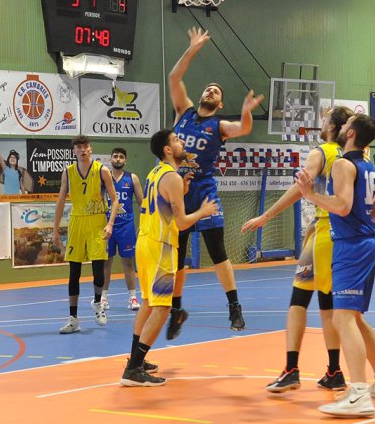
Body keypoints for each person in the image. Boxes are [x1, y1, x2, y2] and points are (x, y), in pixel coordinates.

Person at [242, 106, 353, 393]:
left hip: (322, 233)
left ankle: (291, 369)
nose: (321, 121)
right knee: (328, 307)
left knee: (298, 302)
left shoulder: (323, 151)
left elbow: (298, 191)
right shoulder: (351, 156)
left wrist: (265, 216)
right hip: (341, 235)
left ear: (332, 127)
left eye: (325, 119)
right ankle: (334, 371)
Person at [296, 114, 375, 418]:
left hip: (352, 247)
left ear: (351, 133)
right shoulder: (368, 167)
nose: (340, 127)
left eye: (344, 125)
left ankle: (358, 393)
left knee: (342, 320)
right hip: (367, 243)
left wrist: (311, 195)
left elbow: (341, 206)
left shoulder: (343, 164)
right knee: (353, 318)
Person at [166, 26, 264, 338]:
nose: (211, 91)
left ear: (220, 104)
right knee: (177, 259)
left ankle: (234, 306)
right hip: (177, 193)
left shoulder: (218, 125)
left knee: (217, 250)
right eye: (209, 88)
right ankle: (177, 309)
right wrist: (193, 48)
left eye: (217, 92)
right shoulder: (183, 111)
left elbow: (243, 129)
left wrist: (247, 113)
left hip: (204, 192)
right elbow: (173, 78)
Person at [121, 128, 219, 386]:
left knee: (148, 304)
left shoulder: (156, 173)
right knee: (163, 308)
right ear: (167, 149)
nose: (181, 142)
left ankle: (135, 360)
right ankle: (133, 369)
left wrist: (182, 193)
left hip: (145, 241)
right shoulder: (172, 177)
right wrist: (204, 210)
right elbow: (183, 222)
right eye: (176, 140)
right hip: (160, 245)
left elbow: (163, 203)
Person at [52, 136, 119, 334]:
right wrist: (55, 229)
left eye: (85, 146)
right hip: (77, 221)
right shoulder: (68, 172)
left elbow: (115, 200)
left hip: (98, 221)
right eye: (78, 147)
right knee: (74, 273)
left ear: (91, 149)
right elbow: (61, 201)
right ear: (74, 151)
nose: (82, 150)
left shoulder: (102, 170)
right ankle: (73, 319)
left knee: (98, 272)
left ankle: (98, 303)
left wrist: (110, 224)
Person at [102, 148, 144, 311]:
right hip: (108, 225)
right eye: (115, 156)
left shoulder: (132, 178)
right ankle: (103, 298)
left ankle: (133, 297)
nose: (118, 159)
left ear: (125, 161)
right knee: (106, 263)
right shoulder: (104, 178)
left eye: (121, 157)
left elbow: (142, 203)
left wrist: (144, 223)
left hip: (126, 226)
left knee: (128, 263)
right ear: (110, 159)